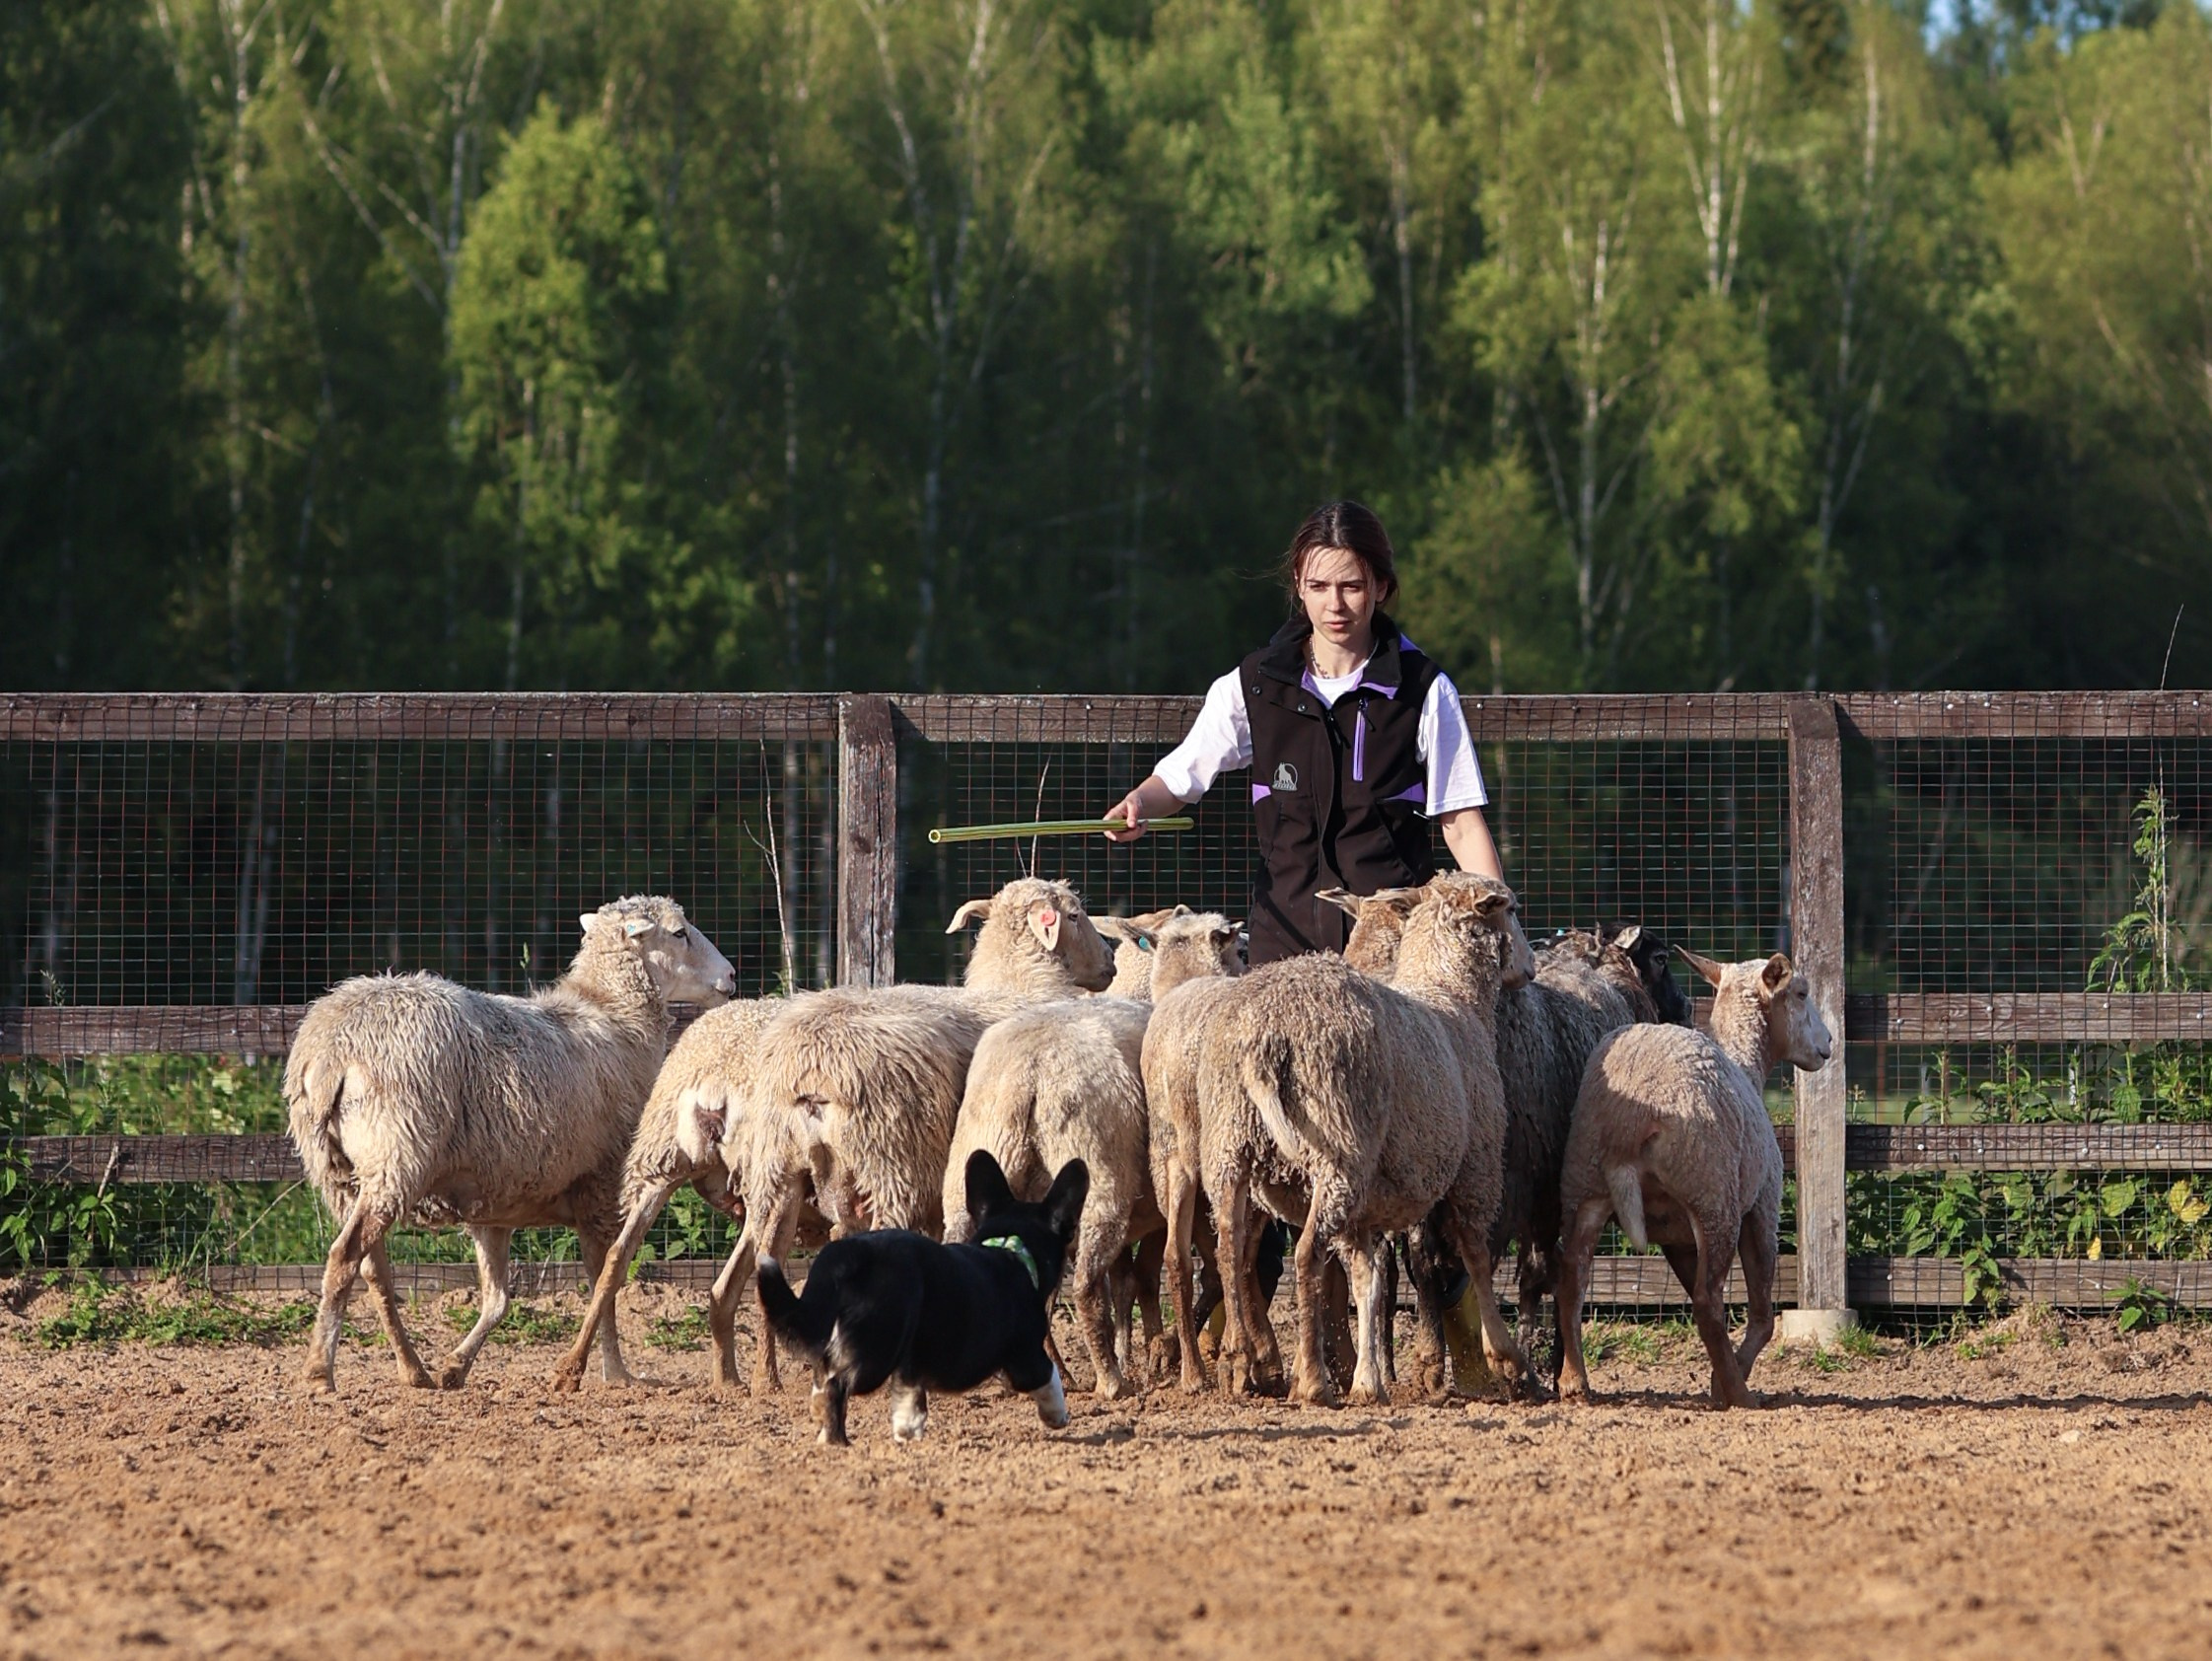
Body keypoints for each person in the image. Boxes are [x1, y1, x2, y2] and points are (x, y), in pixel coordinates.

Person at [1103, 499, 1504, 966]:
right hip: (1282, 955)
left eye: (1351, 586)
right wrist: (1139, 803)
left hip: (1392, 957)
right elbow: (1178, 780)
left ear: (1380, 586)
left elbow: (1463, 827)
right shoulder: (1252, 685)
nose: (1334, 605)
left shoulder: (1424, 691)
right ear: (1298, 585)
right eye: (1318, 586)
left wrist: (1501, 928)